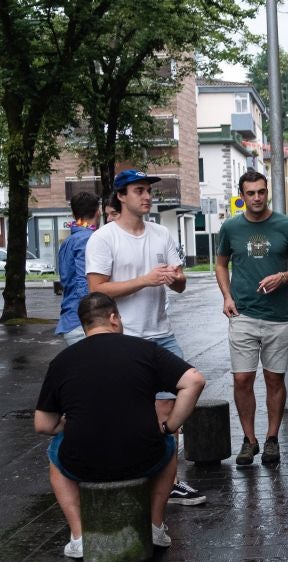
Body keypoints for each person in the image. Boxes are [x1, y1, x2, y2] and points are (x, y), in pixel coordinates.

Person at [35, 293, 205, 558]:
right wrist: (168, 427)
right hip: (143, 458)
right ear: (113, 318)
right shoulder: (145, 350)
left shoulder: (63, 361)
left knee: (55, 451)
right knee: (168, 444)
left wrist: (66, 425)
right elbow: (194, 380)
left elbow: (43, 424)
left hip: (83, 464)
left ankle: (79, 536)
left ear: (84, 325)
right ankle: (155, 526)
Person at [86, 169, 206, 506]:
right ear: (121, 196)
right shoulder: (104, 238)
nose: (147, 196)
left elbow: (180, 284)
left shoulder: (161, 233)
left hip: (161, 334)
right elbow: (96, 290)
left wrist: (173, 278)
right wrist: (145, 280)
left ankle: (170, 481)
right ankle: (136, 476)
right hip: (124, 338)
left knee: (175, 403)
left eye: (148, 191)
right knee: (130, 412)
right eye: (139, 190)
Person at [216, 171, 288, 466]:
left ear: (267, 192)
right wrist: (227, 296)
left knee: (274, 379)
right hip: (242, 313)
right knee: (242, 378)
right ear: (242, 196)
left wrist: (282, 277)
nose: (257, 198)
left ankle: (272, 438)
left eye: (261, 192)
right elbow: (220, 264)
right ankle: (249, 440)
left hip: (277, 316)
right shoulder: (230, 227)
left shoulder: (285, 225)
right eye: (250, 193)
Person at [55, 192, 101, 346]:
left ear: (74, 214)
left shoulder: (68, 241)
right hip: (84, 325)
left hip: (71, 320)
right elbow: (84, 285)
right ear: (98, 212)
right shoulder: (89, 239)